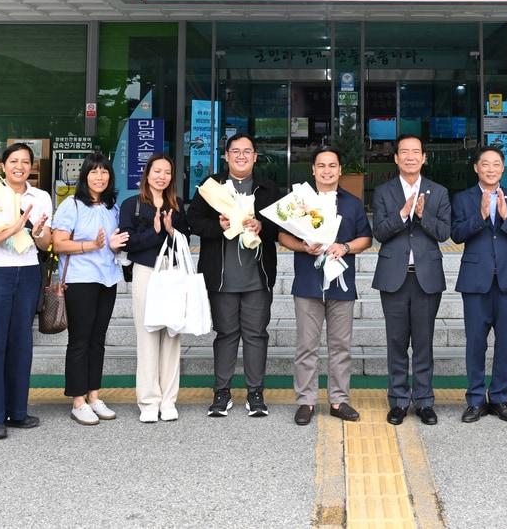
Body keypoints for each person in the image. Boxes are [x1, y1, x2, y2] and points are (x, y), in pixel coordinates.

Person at [187, 133, 282, 418]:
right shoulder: (210, 187)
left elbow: (281, 228)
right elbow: (193, 222)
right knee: (226, 334)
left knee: (256, 335)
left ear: (255, 157)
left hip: (257, 276)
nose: (241, 156)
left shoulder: (267, 188)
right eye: (235, 151)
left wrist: (261, 225)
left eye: (247, 151)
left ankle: (255, 393)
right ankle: (222, 392)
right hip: (221, 277)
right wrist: (219, 225)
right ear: (226, 156)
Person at [277, 147, 372, 425]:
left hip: (341, 284)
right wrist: (303, 247)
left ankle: (339, 400)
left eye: (332, 165)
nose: (327, 170)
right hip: (308, 282)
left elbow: (365, 239)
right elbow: (283, 236)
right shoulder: (299, 202)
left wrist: (344, 247)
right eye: (322, 166)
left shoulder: (353, 204)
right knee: (306, 345)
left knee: (340, 346)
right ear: (313, 170)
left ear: (340, 170)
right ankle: (305, 401)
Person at [0, 142, 53, 439]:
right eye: (14, 161)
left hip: (28, 272)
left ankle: (17, 411)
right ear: (2, 165)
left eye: (26, 161)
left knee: (21, 343)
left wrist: (40, 232)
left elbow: (45, 243)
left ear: (32, 166)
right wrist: (11, 230)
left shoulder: (41, 197)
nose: (20, 166)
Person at [371, 133, 451, 426]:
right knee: (396, 341)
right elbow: (379, 232)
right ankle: (398, 400)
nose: (410, 156)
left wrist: (422, 216)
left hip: (426, 278)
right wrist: (404, 214)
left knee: (423, 342)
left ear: (424, 157)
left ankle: (425, 401)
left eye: (415, 151)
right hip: (394, 277)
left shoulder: (438, 192)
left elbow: (445, 233)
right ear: (396, 158)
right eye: (404, 152)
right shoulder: (383, 192)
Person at [451, 145, 507, 424]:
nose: (490, 169)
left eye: (496, 164)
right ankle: (475, 399)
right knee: (475, 342)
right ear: (476, 167)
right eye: (485, 164)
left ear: (503, 168)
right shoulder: (463, 199)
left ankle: (500, 398)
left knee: (506, 342)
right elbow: (457, 235)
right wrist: (482, 216)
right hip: (476, 282)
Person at [50, 152, 125, 425]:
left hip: (107, 278)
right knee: (80, 340)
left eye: (104, 172)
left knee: (98, 339)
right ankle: (78, 400)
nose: (100, 177)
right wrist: (89, 245)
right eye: (94, 172)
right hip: (81, 279)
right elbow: (58, 243)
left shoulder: (111, 208)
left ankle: (94, 396)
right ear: (85, 176)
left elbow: (113, 243)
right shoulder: (72, 205)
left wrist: (116, 245)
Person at [119, 152, 187, 423]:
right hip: (146, 272)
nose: (162, 176)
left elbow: (185, 239)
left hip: (172, 271)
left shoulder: (177, 204)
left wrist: (171, 231)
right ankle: (148, 401)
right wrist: (156, 231)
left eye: (167, 172)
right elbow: (127, 242)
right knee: (147, 336)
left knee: (172, 336)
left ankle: (169, 400)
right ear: (147, 174)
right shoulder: (131, 204)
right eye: (157, 171)